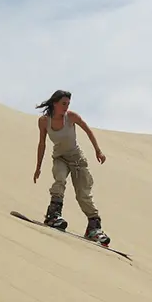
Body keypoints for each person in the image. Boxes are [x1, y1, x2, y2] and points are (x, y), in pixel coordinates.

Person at [33, 89, 110, 246]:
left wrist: (98, 150)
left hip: (77, 160)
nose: (66, 107)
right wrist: (38, 167)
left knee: (83, 194)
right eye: (63, 104)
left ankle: (94, 228)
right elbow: (42, 143)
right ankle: (53, 215)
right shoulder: (43, 121)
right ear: (54, 103)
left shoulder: (71, 117)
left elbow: (88, 130)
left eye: (68, 104)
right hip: (60, 158)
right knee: (59, 180)